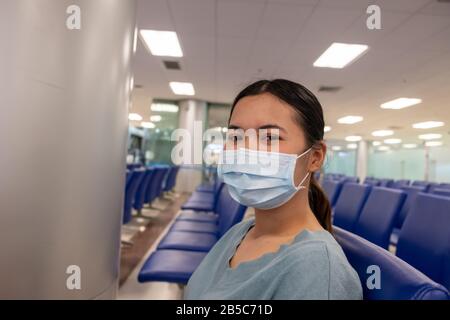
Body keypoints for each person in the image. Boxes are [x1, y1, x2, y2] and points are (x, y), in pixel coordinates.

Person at [184, 79, 362, 300]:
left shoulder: (317, 269)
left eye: (269, 137)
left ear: (315, 158)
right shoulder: (242, 232)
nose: (245, 149)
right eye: (235, 136)